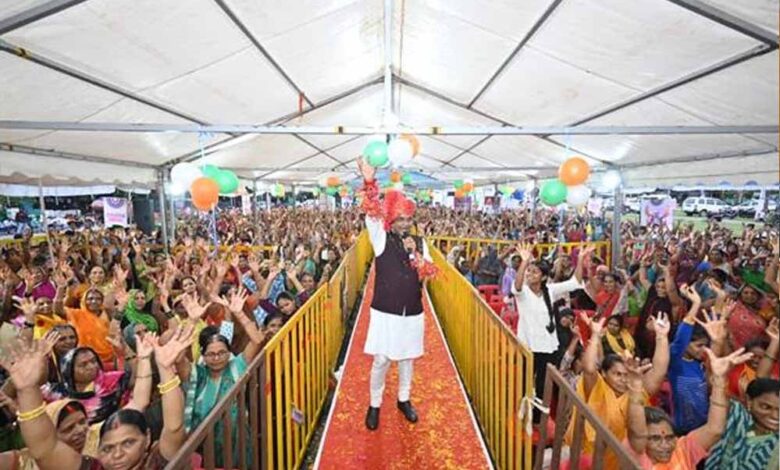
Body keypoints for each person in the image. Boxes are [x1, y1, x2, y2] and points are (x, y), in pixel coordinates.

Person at [1, 325, 193, 470]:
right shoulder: (93, 467)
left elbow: (174, 427)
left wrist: (166, 369)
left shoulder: (155, 462)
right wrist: (28, 389)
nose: (117, 455)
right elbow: (44, 448)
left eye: (128, 443)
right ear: (96, 449)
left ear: (148, 437)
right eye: (107, 449)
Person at [357, 159, 436, 431]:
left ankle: (404, 399)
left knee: (407, 358)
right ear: (391, 220)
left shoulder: (420, 243)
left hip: (412, 310)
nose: (404, 223)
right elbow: (371, 213)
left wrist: (416, 254)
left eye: (408, 219)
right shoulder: (381, 239)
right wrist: (369, 182)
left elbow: (428, 272)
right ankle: (374, 404)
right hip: (385, 310)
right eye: (399, 219)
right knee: (381, 359)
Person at [565, 313, 670, 470]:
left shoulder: (635, 390)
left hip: (620, 459)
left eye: (627, 375)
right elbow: (589, 368)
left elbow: (659, 373)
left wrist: (661, 337)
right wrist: (595, 335)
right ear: (604, 373)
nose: (623, 380)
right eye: (618, 374)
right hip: (586, 457)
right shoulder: (597, 386)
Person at [625, 348, 754, 469]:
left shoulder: (683, 448)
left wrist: (719, 380)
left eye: (669, 438)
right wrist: (636, 388)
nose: (665, 445)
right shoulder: (638, 455)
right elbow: (637, 433)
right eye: (655, 438)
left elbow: (715, 429)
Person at [512, 242, 592, 401]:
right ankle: (524, 411)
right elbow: (518, 285)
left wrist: (580, 259)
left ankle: (538, 414)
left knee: (542, 387)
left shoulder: (550, 290)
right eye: (529, 271)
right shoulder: (524, 292)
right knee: (524, 384)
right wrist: (525, 261)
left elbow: (575, 282)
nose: (529, 274)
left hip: (547, 346)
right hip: (527, 346)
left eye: (534, 272)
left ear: (543, 277)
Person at [704, 378, 780, 470]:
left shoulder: (776, 443)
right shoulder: (734, 415)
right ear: (749, 400)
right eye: (766, 407)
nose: (775, 416)